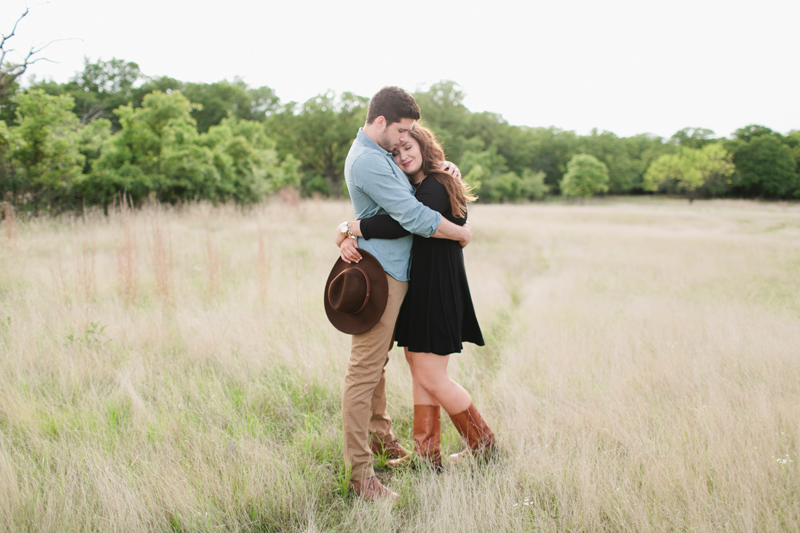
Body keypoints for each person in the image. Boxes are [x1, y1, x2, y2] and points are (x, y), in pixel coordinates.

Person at [337, 86, 472, 503]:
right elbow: (409, 217)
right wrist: (461, 233)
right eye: (401, 130)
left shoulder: (381, 154)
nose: (404, 138)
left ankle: (381, 442)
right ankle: (362, 477)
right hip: (383, 276)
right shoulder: (368, 160)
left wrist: (442, 169)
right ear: (381, 122)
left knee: (375, 368)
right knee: (364, 372)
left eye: (409, 132)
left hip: (398, 273)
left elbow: (404, 202)